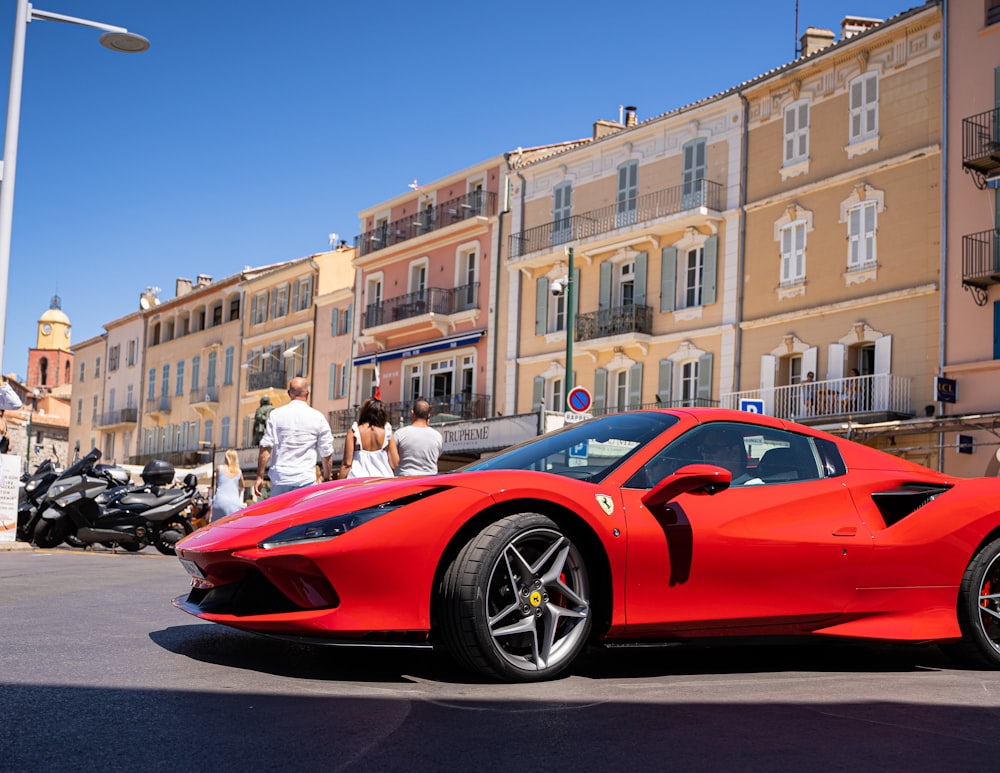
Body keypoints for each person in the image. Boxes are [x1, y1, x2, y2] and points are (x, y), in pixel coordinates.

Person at [254, 378, 334, 499]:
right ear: (307, 394)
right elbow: (326, 452)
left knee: (279, 517)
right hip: (305, 480)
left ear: (289, 393)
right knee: (305, 517)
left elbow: (265, 449)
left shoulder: (276, 415)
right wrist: (327, 477)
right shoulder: (318, 417)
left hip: (281, 479)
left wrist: (259, 477)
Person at [339, 397, 399, 479]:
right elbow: (394, 463)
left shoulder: (354, 431)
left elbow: (347, 463)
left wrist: (340, 483)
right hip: (382, 480)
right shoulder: (387, 433)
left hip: (358, 481)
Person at [394, 398, 443, 476]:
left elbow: (392, 460)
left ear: (412, 412)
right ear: (429, 414)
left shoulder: (400, 434)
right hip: (429, 481)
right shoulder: (437, 436)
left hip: (404, 481)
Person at [211, 449, 245, 521]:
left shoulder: (219, 468)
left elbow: (217, 486)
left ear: (226, 457)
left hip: (220, 501)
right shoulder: (238, 471)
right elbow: (242, 486)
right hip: (234, 503)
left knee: (217, 528)